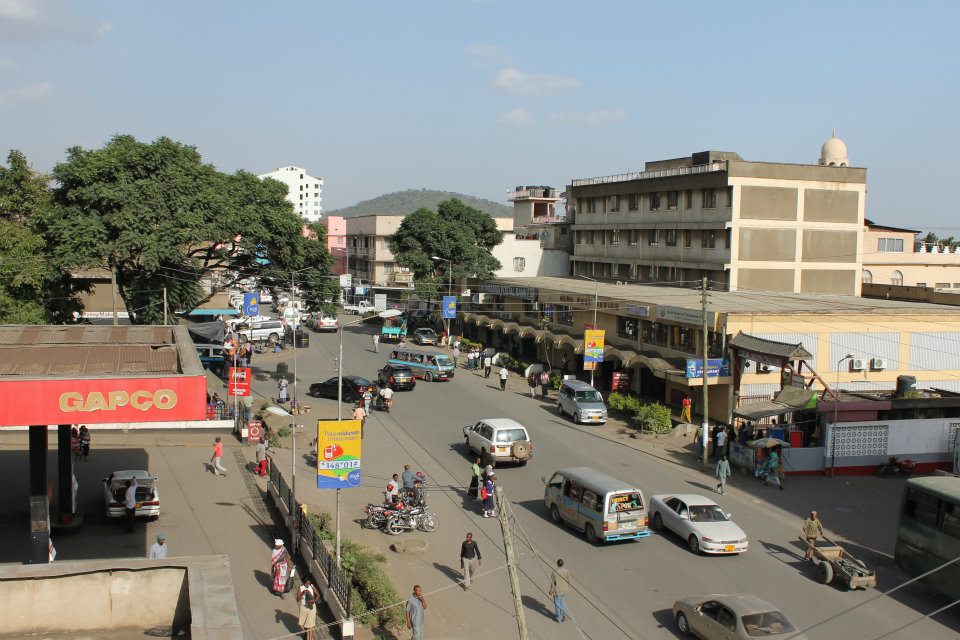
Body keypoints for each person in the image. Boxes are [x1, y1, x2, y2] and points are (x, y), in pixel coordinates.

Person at [549, 559, 572, 623]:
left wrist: (551, 590)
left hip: (558, 590)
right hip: (564, 589)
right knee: (562, 603)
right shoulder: (566, 571)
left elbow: (552, 582)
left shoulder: (555, 572)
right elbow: (569, 580)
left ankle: (558, 618)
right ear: (563, 564)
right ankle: (564, 615)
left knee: (557, 603)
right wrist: (567, 587)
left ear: (557, 564)